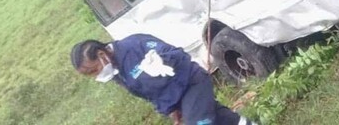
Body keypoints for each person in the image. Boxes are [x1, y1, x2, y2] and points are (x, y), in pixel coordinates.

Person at [71, 34, 256, 125]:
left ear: (101, 55)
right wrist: (171, 110)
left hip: (191, 83)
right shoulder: (115, 72)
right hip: (177, 100)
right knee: (221, 119)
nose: (97, 75)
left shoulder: (134, 44)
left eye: (94, 70)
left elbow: (175, 53)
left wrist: (161, 60)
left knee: (201, 122)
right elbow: (147, 93)